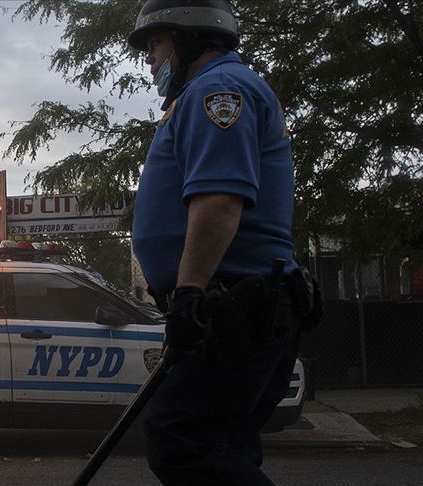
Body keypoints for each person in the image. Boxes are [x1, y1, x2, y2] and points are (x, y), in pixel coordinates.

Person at [128, 1, 310, 484]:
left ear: (189, 38)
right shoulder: (204, 93)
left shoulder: (219, 90)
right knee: (223, 445)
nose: (150, 60)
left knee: (180, 440)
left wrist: (189, 293)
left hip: (231, 301)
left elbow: (219, 200)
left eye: (154, 44)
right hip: (237, 302)